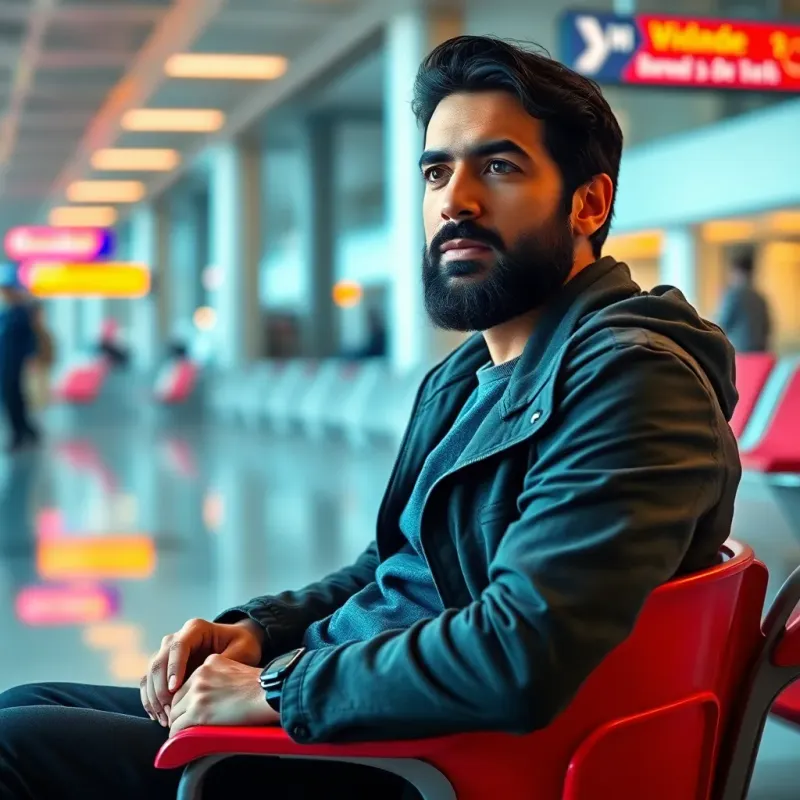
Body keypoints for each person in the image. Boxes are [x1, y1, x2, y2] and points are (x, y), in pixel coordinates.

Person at [0, 35, 741, 799]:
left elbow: (524, 650)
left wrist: (277, 692)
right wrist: (261, 632)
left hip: (424, 763)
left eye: (499, 166)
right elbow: (391, 566)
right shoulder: (468, 377)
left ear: (588, 202)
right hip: (363, 707)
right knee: (22, 706)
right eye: (436, 171)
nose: (455, 199)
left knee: (15, 745)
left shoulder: (633, 381)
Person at [0, 268, 39, 453]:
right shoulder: (6, 313)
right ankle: (28, 431)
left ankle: (20, 434)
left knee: (15, 400)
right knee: (12, 399)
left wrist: (31, 358)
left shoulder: (21, 313)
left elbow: (31, 338)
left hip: (16, 364)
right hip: (5, 363)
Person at [716, 248, 771, 353]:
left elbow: (722, 326)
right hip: (760, 352)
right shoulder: (760, 297)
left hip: (741, 353)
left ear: (737, 271)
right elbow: (767, 327)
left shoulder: (734, 295)